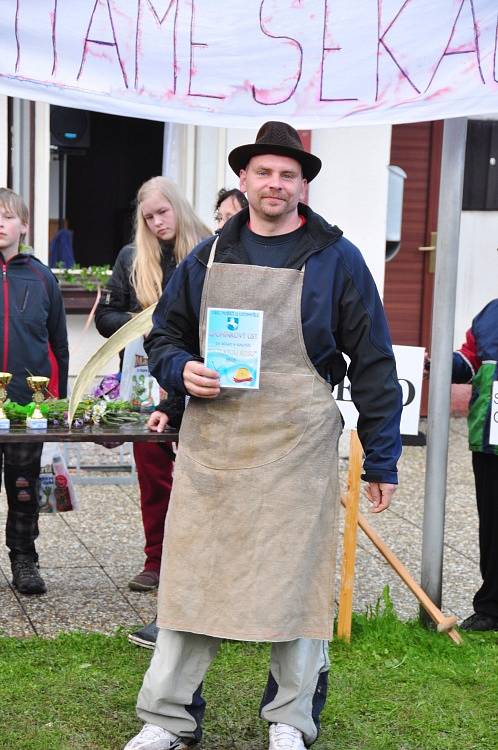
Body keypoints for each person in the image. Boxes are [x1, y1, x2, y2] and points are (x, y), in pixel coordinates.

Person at [124, 122, 402, 750]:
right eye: (264, 173)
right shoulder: (208, 256)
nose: (274, 184)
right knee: (192, 578)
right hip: (215, 446)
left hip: (297, 447)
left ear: (303, 185)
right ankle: (167, 718)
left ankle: (290, 719)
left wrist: (382, 459)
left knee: (296, 585)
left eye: (287, 174)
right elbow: (164, 337)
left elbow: (375, 364)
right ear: (244, 180)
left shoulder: (339, 259)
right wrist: (179, 370)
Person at [95, 177, 210, 646]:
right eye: (148, 217)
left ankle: (201, 567)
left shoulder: (207, 248)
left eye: (163, 212)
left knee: (199, 477)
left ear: (178, 209)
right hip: (144, 378)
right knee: (152, 469)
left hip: (199, 378)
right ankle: (155, 559)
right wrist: (141, 325)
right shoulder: (131, 258)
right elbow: (106, 316)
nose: (158, 222)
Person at [0, 188, 69, 595]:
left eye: (8, 216)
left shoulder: (42, 277)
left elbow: (58, 343)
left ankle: (24, 558)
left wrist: (56, 402)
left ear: (24, 225)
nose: (0, 223)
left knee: (24, 487)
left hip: (27, 407)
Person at [449, 300, 498, 631]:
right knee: (493, 526)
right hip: (491, 442)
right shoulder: (491, 313)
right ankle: (491, 609)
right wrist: (437, 363)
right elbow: (468, 362)